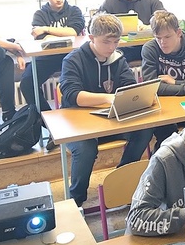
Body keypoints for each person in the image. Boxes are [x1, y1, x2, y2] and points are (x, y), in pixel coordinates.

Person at [121, 10, 185, 165]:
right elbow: (151, 87)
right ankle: (160, 167)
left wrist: (176, 82)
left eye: (167, 37)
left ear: (178, 33)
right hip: (164, 110)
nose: (162, 42)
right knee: (165, 135)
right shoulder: (150, 48)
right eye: (158, 38)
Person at [59, 13, 139, 207]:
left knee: (144, 130)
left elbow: (130, 86)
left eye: (116, 42)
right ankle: (76, 200)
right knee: (85, 149)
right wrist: (106, 98)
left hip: (109, 121)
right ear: (91, 38)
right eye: (106, 42)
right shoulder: (73, 60)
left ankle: (121, 179)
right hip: (78, 125)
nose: (112, 47)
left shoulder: (117, 59)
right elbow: (72, 95)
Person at [19, 0, 85, 112]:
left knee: (79, 81)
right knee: (27, 82)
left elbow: (73, 32)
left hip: (72, 56)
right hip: (47, 57)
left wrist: (46, 29)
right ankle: (45, 117)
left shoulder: (74, 11)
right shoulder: (39, 14)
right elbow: (41, 38)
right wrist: (62, 34)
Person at [98, 0, 164, 62]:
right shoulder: (109, 3)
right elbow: (94, 25)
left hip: (146, 45)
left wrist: (149, 27)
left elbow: (163, 20)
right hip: (119, 47)